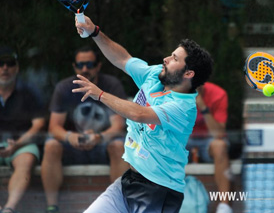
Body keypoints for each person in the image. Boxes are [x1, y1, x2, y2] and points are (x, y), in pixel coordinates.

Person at [73, 15, 214, 213]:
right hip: (128, 182)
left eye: (174, 59)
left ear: (188, 73)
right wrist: (95, 32)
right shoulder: (155, 75)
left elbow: (139, 114)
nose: (166, 59)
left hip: (159, 190)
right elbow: (123, 59)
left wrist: (101, 95)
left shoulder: (184, 108)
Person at [41, 45, 129, 213]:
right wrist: (70, 137)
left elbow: (118, 125)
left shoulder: (111, 85)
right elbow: (54, 126)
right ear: (74, 66)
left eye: (89, 64)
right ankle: (51, 207)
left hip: (103, 145)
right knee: (51, 145)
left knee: (119, 146)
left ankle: (122, 206)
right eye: (80, 65)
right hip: (72, 147)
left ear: (98, 65)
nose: (85, 69)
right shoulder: (64, 87)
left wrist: (99, 137)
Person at [0, 46, 46, 213]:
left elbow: (39, 125)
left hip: (21, 143)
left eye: (10, 64)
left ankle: (8, 210)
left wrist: (17, 144)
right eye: (1, 64)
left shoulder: (29, 92)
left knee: (26, 160)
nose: (5, 68)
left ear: (17, 68)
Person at [187, 82, 232, 213]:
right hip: (185, 139)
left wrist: (203, 107)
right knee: (164, 145)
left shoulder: (218, 94)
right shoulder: (174, 94)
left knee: (220, 146)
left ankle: (224, 206)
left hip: (209, 140)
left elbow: (218, 133)